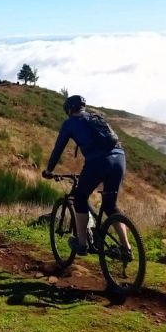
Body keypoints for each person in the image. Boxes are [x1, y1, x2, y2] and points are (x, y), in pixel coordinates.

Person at [42, 95, 131, 257]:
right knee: (111, 206)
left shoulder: (69, 123)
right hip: (119, 158)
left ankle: (81, 244)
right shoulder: (96, 117)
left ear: (69, 110)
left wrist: (48, 170)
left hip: (98, 162)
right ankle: (126, 248)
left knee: (80, 198)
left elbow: (58, 149)